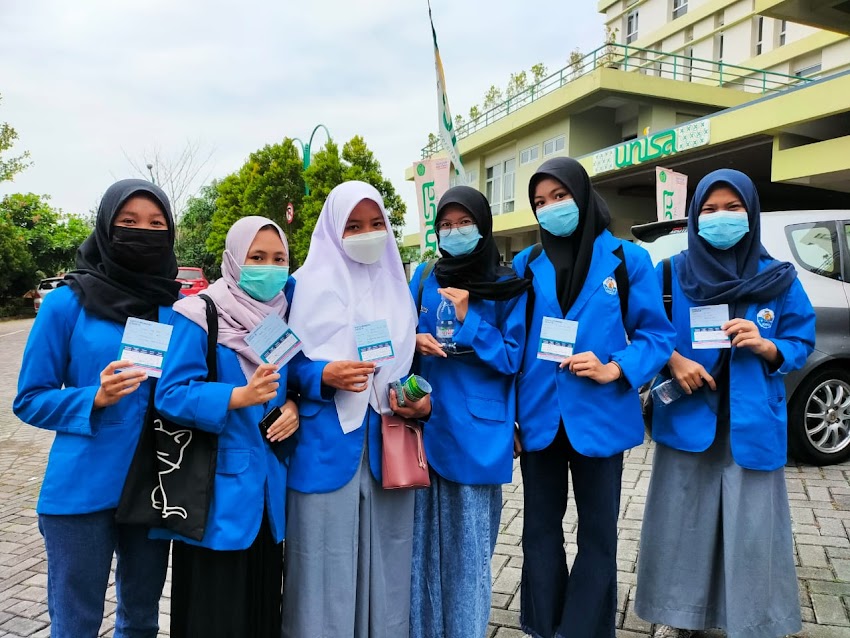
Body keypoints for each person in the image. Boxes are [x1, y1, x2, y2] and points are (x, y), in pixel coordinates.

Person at [635, 169, 816, 638]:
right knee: (683, 524)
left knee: (752, 528)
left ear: (751, 213)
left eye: (733, 208)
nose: (721, 218)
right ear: (694, 216)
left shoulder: (778, 278)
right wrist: (673, 360)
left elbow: (801, 339)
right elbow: (642, 332)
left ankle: (751, 619)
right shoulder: (672, 272)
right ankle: (681, 618)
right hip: (689, 417)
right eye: (710, 209)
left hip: (753, 422)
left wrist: (769, 346)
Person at [512, 157, 676, 638]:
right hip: (539, 415)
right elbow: (514, 342)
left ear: (582, 196)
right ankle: (543, 626)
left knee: (598, 535)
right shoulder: (525, 264)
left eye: (559, 197)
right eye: (540, 202)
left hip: (599, 417)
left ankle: (581, 630)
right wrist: (510, 419)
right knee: (539, 532)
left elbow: (655, 334)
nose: (550, 209)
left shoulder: (627, 260)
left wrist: (615, 367)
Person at [13, 179, 181, 638]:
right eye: (128, 222)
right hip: (81, 489)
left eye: (155, 223)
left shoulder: (179, 309)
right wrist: (93, 397)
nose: (141, 232)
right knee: (76, 624)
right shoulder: (66, 304)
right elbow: (29, 399)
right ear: (106, 227)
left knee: (141, 619)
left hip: (155, 486)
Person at [281, 181, 432, 638]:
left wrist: (416, 395)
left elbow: (409, 365)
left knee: (388, 558)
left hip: (388, 441)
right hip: (325, 442)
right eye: (353, 225)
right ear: (332, 227)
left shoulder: (399, 290)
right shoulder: (299, 287)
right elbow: (283, 362)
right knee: (321, 561)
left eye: (375, 224)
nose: (367, 233)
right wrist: (322, 376)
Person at [153, 216, 305, 638]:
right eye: (257, 257)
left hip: (268, 497)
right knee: (214, 614)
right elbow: (170, 394)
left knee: (260, 611)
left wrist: (292, 402)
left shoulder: (277, 318)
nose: (269, 267)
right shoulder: (198, 313)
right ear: (234, 259)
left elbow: (286, 385)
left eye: (279, 258)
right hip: (214, 498)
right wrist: (236, 397)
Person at [408, 186, 529, 638]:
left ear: (483, 226)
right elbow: (403, 337)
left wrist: (471, 319)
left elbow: (514, 358)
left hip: (479, 434)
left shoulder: (506, 284)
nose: (454, 232)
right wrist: (411, 344)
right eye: (446, 225)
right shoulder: (423, 276)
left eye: (464, 223)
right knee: (420, 554)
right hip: (424, 426)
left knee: (468, 556)